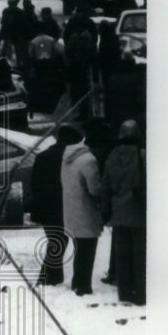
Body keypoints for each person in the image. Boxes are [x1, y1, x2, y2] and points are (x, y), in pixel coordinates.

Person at [30, 124, 83, 285]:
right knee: (60, 241)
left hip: (46, 208)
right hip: (64, 205)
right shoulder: (72, 158)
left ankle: (52, 276)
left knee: (55, 240)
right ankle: (48, 277)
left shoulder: (42, 156)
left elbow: (35, 184)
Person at [101, 120, 146, 305]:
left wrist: (105, 212)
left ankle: (125, 293)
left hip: (119, 213)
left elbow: (105, 186)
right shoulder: (143, 155)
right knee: (140, 255)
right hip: (139, 212)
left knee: (122, 256)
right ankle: (141, 294)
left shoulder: (112, 157)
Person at [61, 125, 103, 296]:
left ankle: (77, 282)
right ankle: (83, 286)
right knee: (87, 251)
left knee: (79, 249)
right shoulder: (89, 161)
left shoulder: (67, 158)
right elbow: (94, 189)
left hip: (71, 210)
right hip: (86, 211)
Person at [0, 0, 24, 68]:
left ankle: (18, 65)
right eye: (10, 3)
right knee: (5, 51)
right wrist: (0, 37)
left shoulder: (18, 12)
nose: (11, 4)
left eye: (12, 3)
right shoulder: (8, 11)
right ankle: (3, 65)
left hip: (15, 33)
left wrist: (0, 38)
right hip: (9, 33)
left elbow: (22, 25)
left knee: (17, 51)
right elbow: (3, 25)